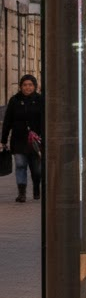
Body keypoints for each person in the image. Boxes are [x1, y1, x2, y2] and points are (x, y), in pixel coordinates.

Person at [1, 74, 43, 202]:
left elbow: (45, 120)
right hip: (18, 140)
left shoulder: (40, 100)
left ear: (34, 86)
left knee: (36, 169)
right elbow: (7, 121)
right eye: (25, 85)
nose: (27, 87)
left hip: (36, 141)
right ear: (21, 87)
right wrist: (3, 140)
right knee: (20, 165)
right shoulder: (14, 100)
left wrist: (43, 136)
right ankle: (22, 193)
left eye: (30, 85)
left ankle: (36, 188)